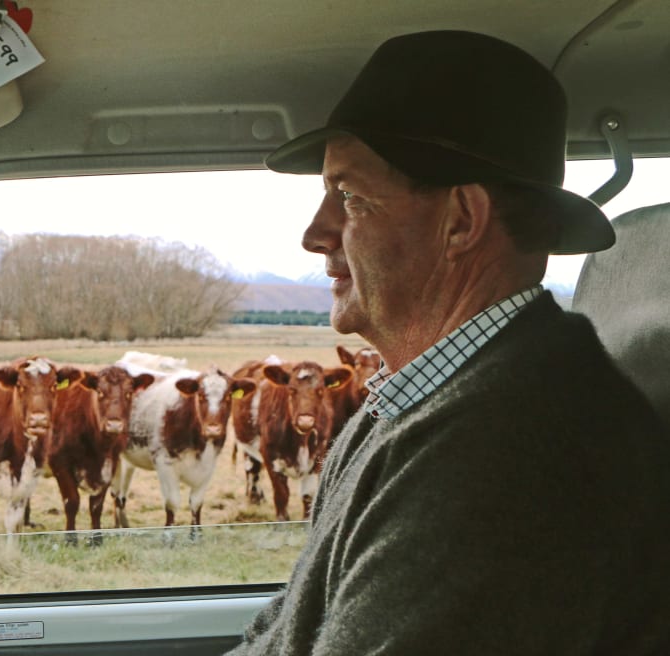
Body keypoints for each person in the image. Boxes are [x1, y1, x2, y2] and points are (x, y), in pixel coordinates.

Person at [226, 30, 670, 655]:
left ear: (460, 220)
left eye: (349, 197)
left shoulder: (518, 446)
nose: (315, 234)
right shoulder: (414, 405)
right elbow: (284, 630)